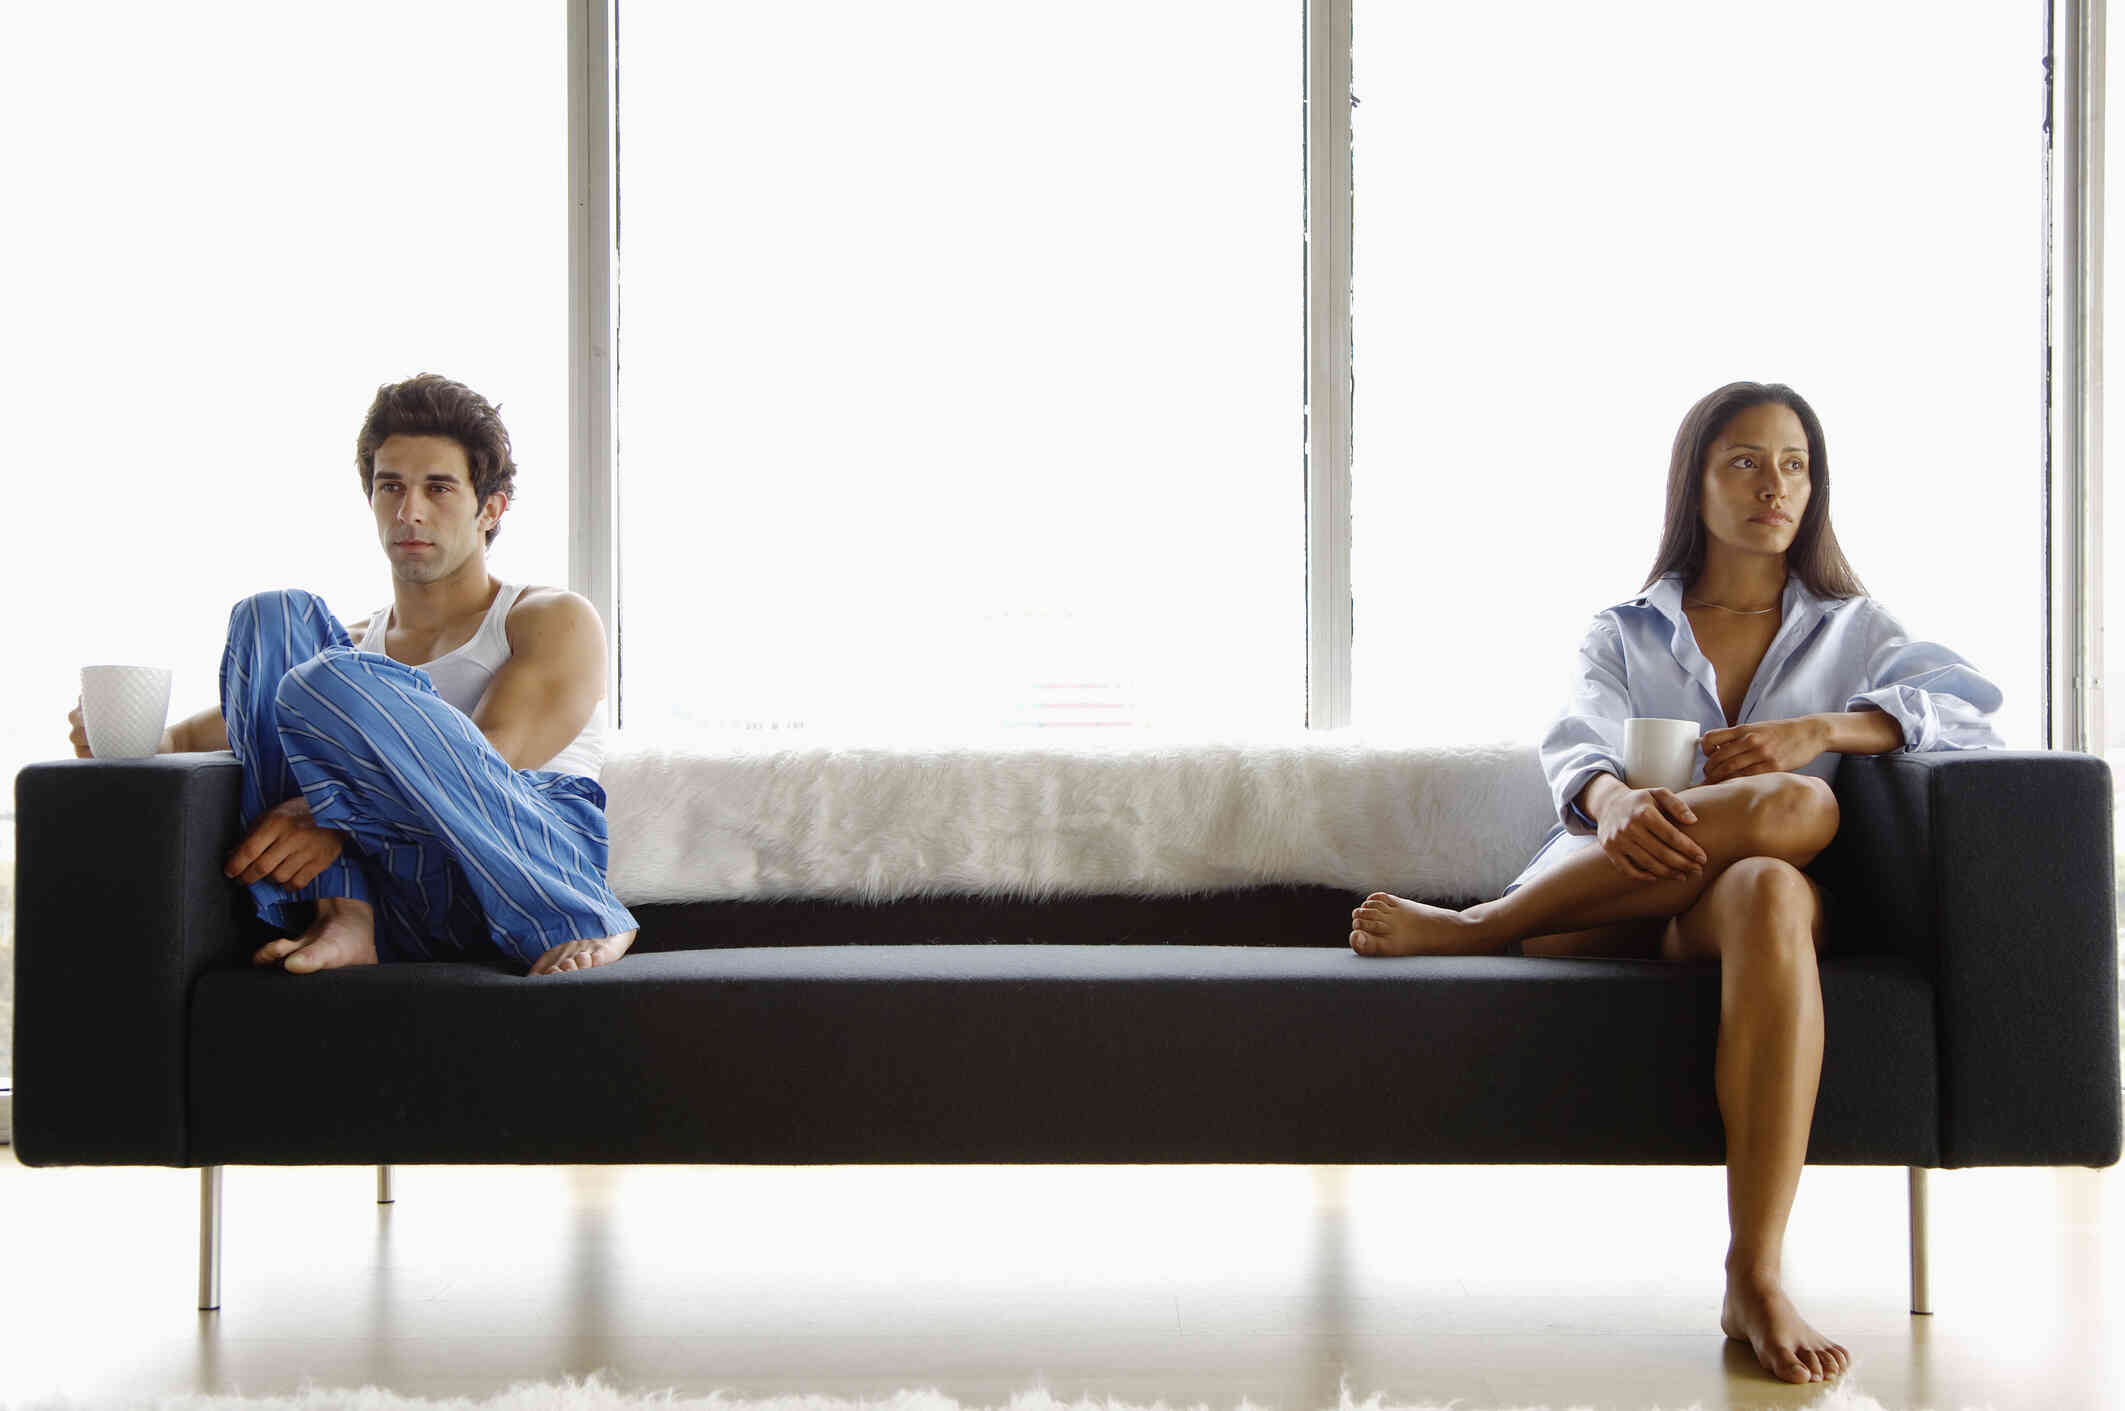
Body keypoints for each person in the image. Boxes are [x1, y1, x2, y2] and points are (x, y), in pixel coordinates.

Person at [1346, 381, 2004, 1386]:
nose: (1772, 484)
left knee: (1793, 832)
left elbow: (1969, 712)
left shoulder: (1854, 629)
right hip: (1607, 904)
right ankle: (1499, 918)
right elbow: (1575, 743)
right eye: (1743, 460)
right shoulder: (1620, 629)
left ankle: (1753, 1271)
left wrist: (1821, 728)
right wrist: (1611, 803)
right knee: (1791, 825)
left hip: (1736, 920)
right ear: (1692, 484)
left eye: (1793, 464)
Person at [67, 372, 639, 979]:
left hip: (515, 863)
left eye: (438, 488)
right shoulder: (341, 648)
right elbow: (187, 739)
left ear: (489, 508)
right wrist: (125, 736)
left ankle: (580, 913)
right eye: (390, 486)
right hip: (404, 892)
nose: (409, 510)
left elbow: (492, 760)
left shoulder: (549, 619)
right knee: (273, 615)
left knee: (329, 683)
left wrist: (329, 815)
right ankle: (345, 912)